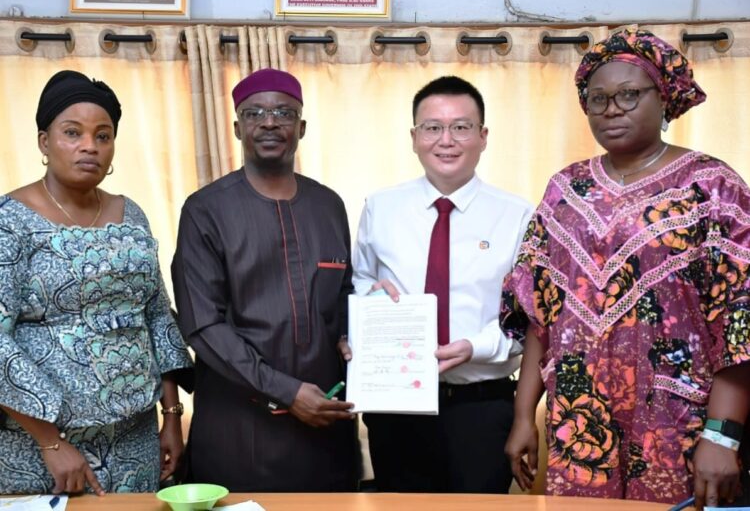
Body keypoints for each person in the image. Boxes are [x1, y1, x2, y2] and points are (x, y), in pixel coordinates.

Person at [502, 27, 750, 508]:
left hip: (680, 421)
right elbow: (538, 312)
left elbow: (740, 319)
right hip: (579, 422)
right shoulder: (565, 190)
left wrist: (724, 435)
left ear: (665, 98)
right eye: (598, 99)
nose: (612, 108)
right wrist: (521, 417)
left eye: (629, 94)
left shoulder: (715, 187)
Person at [0, 70, 193, 494]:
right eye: (73, 132)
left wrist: (172, 416)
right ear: (44, 141)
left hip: (135, 439)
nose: (90, 146)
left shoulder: (131, 214)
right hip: (41, 446)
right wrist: (50, 441)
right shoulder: (9, 221)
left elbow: (157, 317)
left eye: (103, 136)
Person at [171, 68, 358, 492]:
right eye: (255, 112)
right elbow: (203, 325)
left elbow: (343, 296)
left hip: (327, 429)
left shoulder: (329, 206)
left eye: (284, 113)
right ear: (238, 127)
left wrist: (365, 326)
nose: (270, 122)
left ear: (301, 127)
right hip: (240, 432)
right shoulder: (205, 210)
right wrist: (287, 391)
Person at [351, 75, 533, 493]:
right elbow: (361, 280)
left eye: (461, 127)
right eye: (432, 127)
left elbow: (527, 316)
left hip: (481, 404)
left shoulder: (518, 216)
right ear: (414, 138)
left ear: (483, 136)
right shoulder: (381, 207)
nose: (446, 140)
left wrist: (476, 347)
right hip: (396, 402)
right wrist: (371, 304)